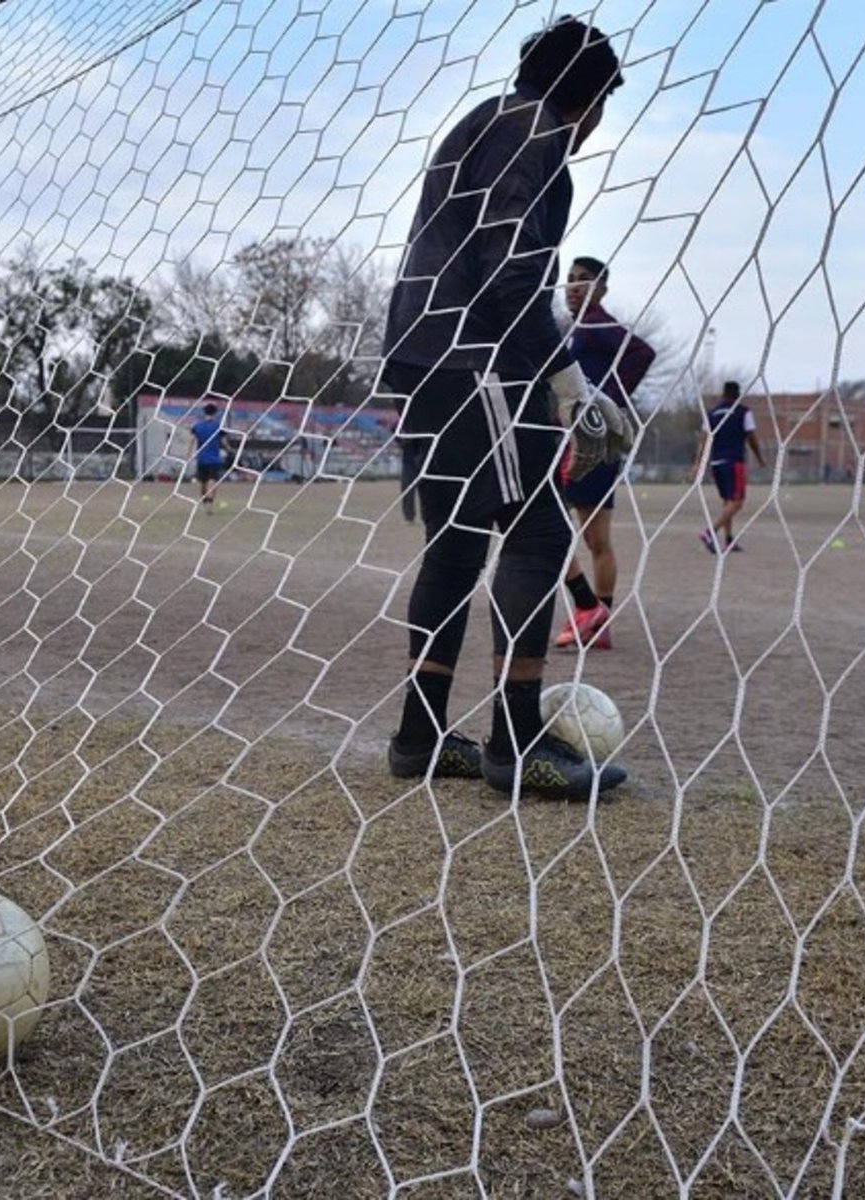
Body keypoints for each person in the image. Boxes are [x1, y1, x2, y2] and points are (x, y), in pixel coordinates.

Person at [381, 16, 629, 800]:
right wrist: (569, 386)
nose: (597, 125)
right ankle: (515, 745)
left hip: (423, 354)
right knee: (541, 529)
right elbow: (511, 278)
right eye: (603, 104)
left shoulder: (482, 121)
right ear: (587, 97)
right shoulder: (537, 136)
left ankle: (419, 738)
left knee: (454, 545)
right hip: (474, 357)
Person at [553, 256, 656, 652]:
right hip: (586, 440)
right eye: (570, 280)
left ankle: (589, 612)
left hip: (589, 442)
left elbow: (641, 353)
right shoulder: (577, 330)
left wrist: (607, 401)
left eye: (584, 280)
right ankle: (598, 621)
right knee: (595, 540)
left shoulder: (596, 323)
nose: (574, 287)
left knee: (549, 527)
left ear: (602, 289)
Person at [697, 381, 766, 553]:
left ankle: (728, 540)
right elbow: (751, 437)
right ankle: (709, 532)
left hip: (716, 462)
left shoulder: (712, 413)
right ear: (738, 394)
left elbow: (705, 438)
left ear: (723, 394)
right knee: (737, 502)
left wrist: (698, 462)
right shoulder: (743, 412)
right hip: (734, 462)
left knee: (727, 501)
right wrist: (759, 457)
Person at [191, 402, 227, 510]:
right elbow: (224, 441)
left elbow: (192, 440)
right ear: (215, 413)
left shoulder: (197, 426)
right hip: (214, 459)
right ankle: (210, 503)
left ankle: (204, 501)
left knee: (203, 482)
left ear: (204, 412)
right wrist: (229, 449)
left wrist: (189, 455)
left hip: (201, 458)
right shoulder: (218, 426)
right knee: (212, 480)